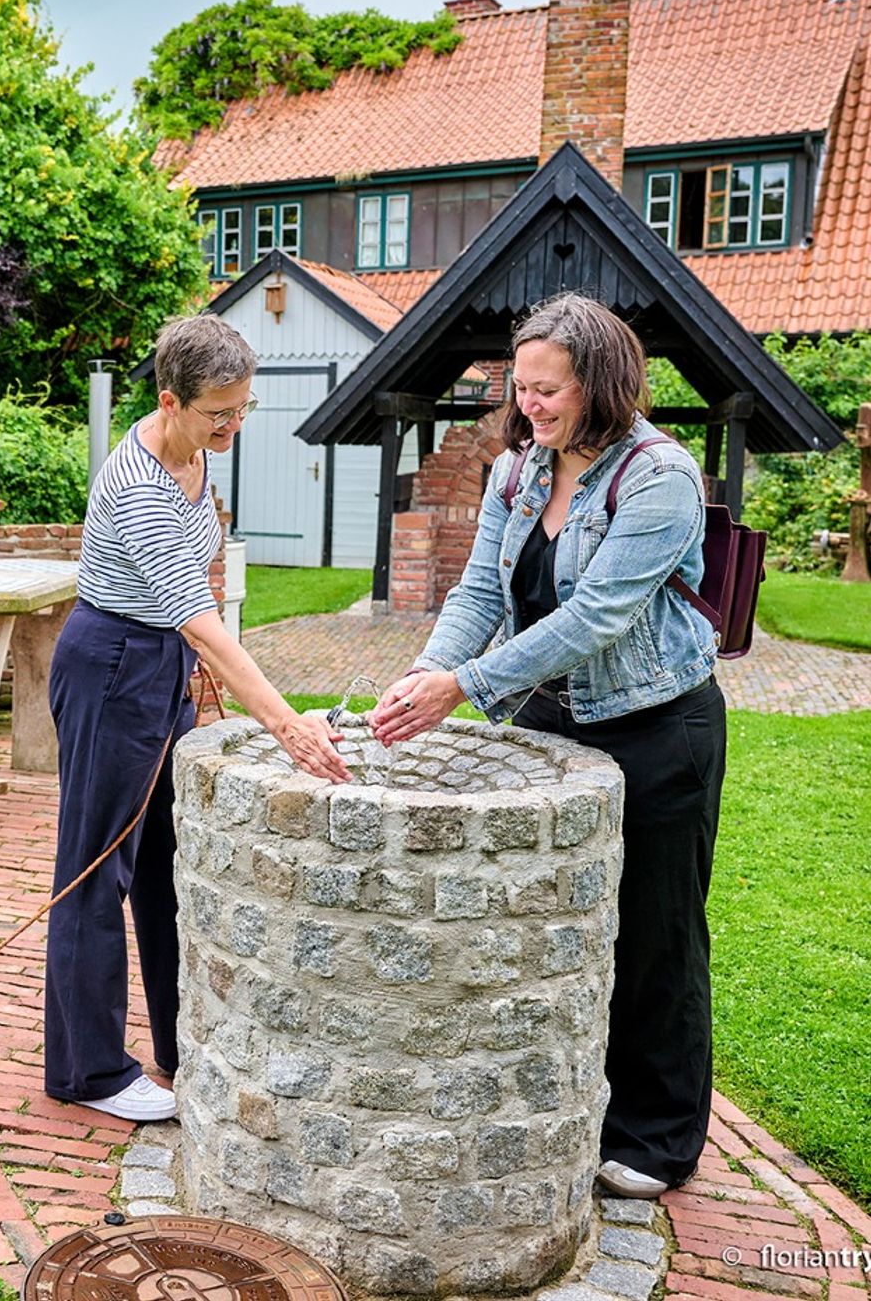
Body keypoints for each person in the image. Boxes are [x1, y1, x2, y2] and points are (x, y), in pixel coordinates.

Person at [368, 292, 726, 1200]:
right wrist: (428, 675)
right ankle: (577, 1103)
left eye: (547, 389)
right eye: (520, 387)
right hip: (548, 720)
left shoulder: (661, 478)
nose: (529, 404)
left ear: (599, 382)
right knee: (551, 927)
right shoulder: (517, 472)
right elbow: (479, 596)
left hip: (654, 728)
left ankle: (656, 1138)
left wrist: (468, 687)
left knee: (656, 936)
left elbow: (598, 618)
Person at [44, 315, 351, 1123]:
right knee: (95, 867)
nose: (236, 426)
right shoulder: (137, 483)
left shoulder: (193, 460)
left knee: (165, 863)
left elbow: (195, 605)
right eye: (221, 413)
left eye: (245, 409)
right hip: (111, 667)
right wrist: (286, 723)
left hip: (160, 666)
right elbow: (197, 616)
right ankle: (89, 1073)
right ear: (171, 401)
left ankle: (183, 1042)